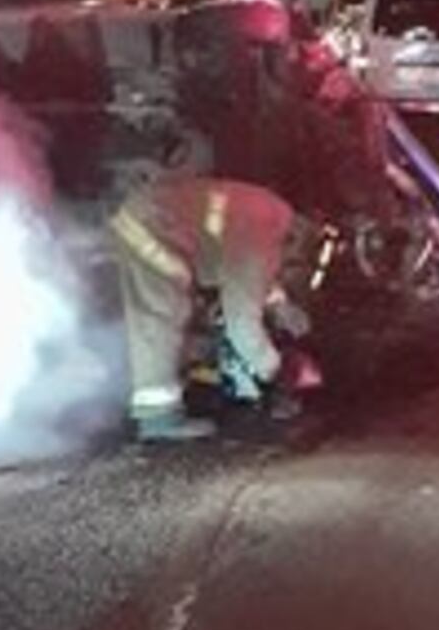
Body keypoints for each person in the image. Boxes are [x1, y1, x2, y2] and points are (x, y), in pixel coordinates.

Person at [109, 163, 303, 440]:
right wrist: (275, 372)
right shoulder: (265, 234)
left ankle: (174, 383)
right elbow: (242, 321)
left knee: (173, 310)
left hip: (150, 217)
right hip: (152, 227)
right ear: (292, 241)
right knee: (161, 314)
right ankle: (159, 419)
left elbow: (249, 272)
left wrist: (279, 302)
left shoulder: (264, 211)